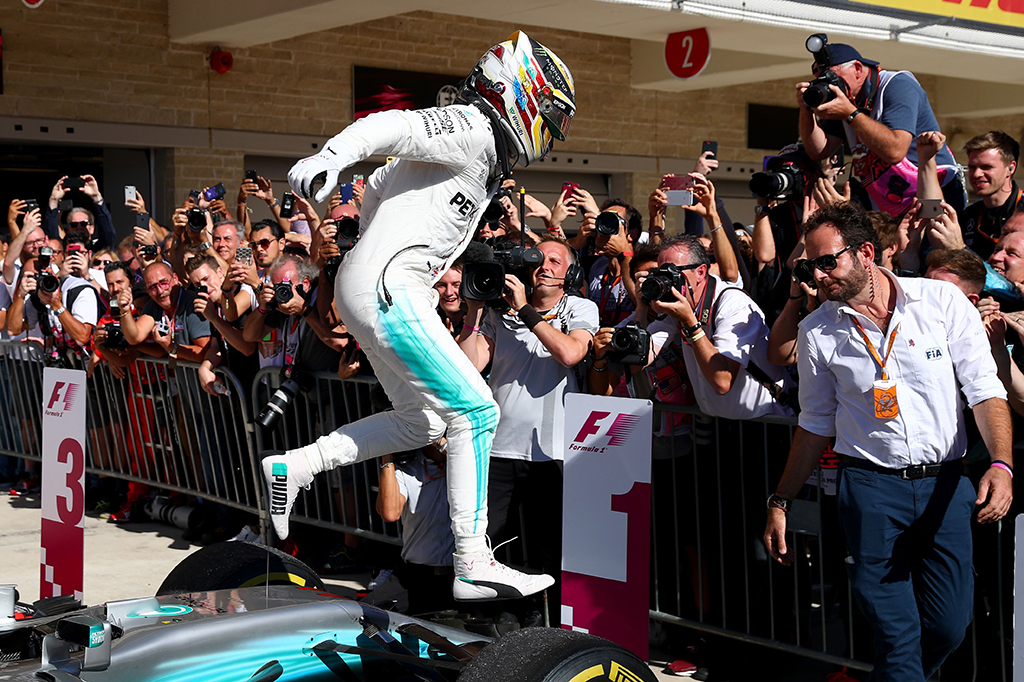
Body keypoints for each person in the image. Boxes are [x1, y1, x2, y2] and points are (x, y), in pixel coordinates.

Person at [262, 30, 575, 602]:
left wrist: (370, 250)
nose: (550, 129)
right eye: (549, 112)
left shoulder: (479, 151)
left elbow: (380, 185)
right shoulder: (474, 127)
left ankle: (298, 466)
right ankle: (473, 559)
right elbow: (395, 127)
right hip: (390, 287)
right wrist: (331, 157)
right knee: (477, 412)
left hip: (379, 285)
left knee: (426, 423)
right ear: (520, 88)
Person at [764, 202, 1013, 681]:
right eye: (807, 266)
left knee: (948, 626)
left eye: (826, 262)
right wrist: (780, 499)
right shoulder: (817, 330)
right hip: (871, 492)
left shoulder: (941, 303)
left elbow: (985, 390)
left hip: (947, 486)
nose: (816, 276)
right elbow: (816, 422)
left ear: (864, 254)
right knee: (897, 642)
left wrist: (1000, 465)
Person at [459, 237, 598, 621]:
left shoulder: (579, 307)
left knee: (545, 544)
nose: (545, 266)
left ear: (569, 272)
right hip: (499, 447)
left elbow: (571, 353)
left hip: (550, 451)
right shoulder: (498, 312)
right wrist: (474, 310)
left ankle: (544, 618)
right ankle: (497, 613)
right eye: (538, 258)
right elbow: (470, 367)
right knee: (495, 540)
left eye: (556, 260)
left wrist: (524, 309)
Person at [797, 41, 963, 217]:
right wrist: (805, 110)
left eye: (833, 79)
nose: (831, 87)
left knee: (938, 241)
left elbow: (895, 151)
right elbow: (820, 150)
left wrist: (850, 114)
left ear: (858, 69)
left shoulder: (897, 85)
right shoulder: (846, 99)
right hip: (891, 205)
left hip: (935, 193)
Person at [645, 235, 793, 420]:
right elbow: (642, 357)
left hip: (764, 423)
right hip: (717, 424)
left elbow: (722, 381)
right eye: (662, 273)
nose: (668, 281)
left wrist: (691, 324)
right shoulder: (679, 305)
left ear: (700, 272)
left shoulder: (733, 304)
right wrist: (642, 309)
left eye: (674, 273)